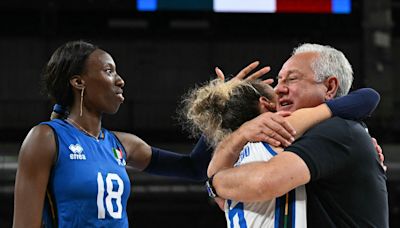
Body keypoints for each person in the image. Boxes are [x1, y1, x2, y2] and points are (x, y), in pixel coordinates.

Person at [13, 41, 299, 228]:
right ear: (78, 82)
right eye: (109, 71)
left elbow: (195, 168)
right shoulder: (46, 138)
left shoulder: (122, 144)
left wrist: (220, 110)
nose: (120, 80)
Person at [206, 43, 389, 227]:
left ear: (330, 87)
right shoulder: (288, 141)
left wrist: (214, 184)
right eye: (279, 81)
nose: (278, 89)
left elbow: (265, 182)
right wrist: (243, 133)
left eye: (292, 79)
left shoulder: (339, 130)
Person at [181, 77, 380, 227]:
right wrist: (361, 140)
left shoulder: (227, 171)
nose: (281, 91)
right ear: (266, 104)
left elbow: (212, 178)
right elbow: (368, 98)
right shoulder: (284, 128)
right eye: (275, 93)